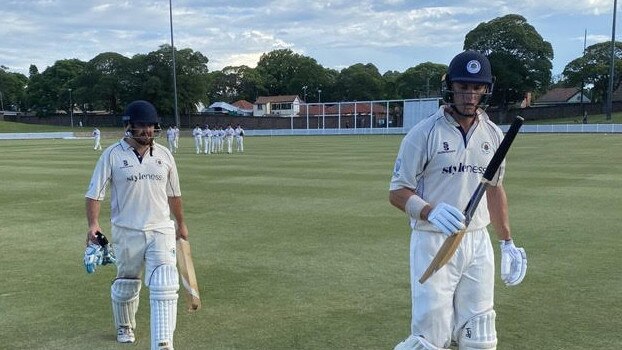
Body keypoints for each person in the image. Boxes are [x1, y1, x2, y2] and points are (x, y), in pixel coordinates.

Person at [389, 51, 527, 350]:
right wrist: (429, 211)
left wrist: (506, 242)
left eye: (477, 88)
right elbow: (398, 191)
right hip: (433, 241)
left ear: (486, 90)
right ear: (450, 87)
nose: (470, 95)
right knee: (431, 338)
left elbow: (494, 189)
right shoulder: (423, 133)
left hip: (477, 242)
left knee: (480, 335)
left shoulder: (492, 133)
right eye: (463, 87)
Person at [84, 100, 189, 349]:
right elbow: (94, 194)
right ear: (129, 126)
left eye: (151, 126)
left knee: (165, 281)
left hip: (160, 229)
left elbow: (174, 194)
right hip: (127, 230)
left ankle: (163, 343)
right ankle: (124, 325)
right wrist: (93, 225)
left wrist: (181, 223)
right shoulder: (111, 154)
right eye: (141, 126)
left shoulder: (165, 155)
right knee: (126, 285)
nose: (147, 131)